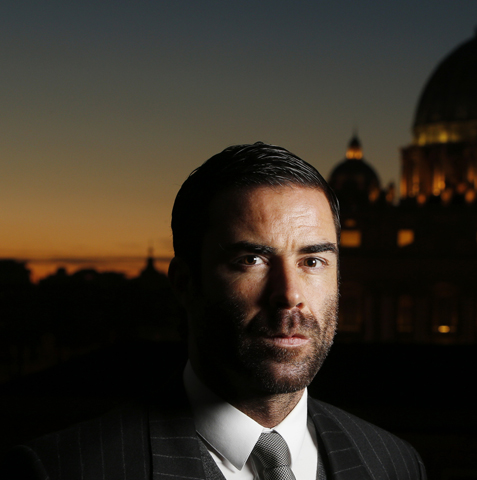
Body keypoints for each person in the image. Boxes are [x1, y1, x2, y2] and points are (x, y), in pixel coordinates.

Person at [3, 142, 426, 480]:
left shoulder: (397, 464)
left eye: (312, 261)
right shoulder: (60, 470)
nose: (289, 294)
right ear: (184, 282)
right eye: (251, 260)